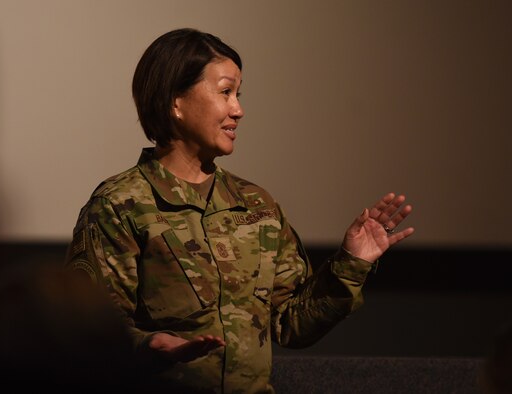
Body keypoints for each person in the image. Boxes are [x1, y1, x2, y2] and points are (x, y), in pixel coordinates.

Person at [65, 28, 414, 393]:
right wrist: (149, 345)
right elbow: (88, 331)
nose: (238, 110)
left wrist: (351, 263)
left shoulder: (257, 205)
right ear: (175, 103)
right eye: (225, 92)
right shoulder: (119, 206)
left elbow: (291, 323)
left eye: (239, 94)